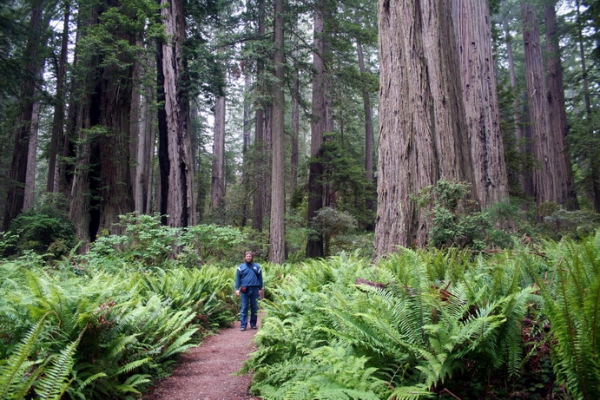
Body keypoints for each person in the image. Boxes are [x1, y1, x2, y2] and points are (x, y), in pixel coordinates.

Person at [235, 251, 263, 331]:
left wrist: (260, 288)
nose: (248, 257)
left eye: (250, 256)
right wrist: (237, 288)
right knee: (244, 307)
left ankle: (253, 324)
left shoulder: (257, 267)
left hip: (254, 289)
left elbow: (260, 278)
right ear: (245, 257)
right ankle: (243, 325)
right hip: (244, 289)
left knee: (254, 307)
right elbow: (237, 279)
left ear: (252, 257)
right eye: (247, 256)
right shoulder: (241, 267)